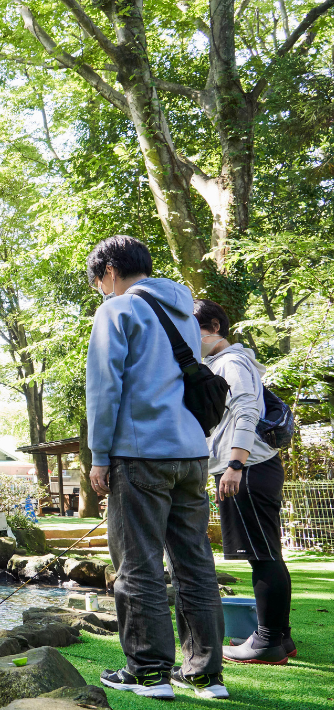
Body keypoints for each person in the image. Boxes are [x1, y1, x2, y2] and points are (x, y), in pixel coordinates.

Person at [86, 236, 227, 700]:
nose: (99, 291)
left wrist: (99, 455)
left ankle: (148, 672)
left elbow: (105, 389)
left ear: (109, 271)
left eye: (97, 281)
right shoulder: (185, 313)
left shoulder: (117, 310)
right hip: (190, 453)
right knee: (195, 563)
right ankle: (205, 675)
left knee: (138, 564)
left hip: (141, 453)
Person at [195, 298, 296, 664]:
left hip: (248, 468)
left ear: (215, 327)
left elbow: (247, 408)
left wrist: (235, 463)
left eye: (194, 329)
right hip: (250, 467)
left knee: (262, 555)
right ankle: (279, 638)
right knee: (266, 553)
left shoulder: (232, 361)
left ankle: (266, 641)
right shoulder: (221, 362)